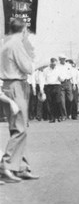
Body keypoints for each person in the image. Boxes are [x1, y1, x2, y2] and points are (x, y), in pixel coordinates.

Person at [0, 18, 39, 182]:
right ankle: (6, 165)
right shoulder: (17, 44)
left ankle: (21, 166)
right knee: (20, 129)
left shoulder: (6, 43)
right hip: (17, 86)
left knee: (17, 127)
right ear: (23, 31)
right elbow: (28, 68)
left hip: (9, 85)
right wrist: (39, 63)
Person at [43, 57, 64, 122]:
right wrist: (42, 88)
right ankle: (52, 117)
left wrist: (60, 78)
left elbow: (62, 78)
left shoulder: (59, 69)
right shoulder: (46, 70)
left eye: (55, 64)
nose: (53, 65)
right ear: (50, 63)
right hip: (49, 86)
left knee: (58, 101)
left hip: (57, 85)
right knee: (50, 102)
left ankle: (59, 116)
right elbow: (43, 79)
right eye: (52, 64)